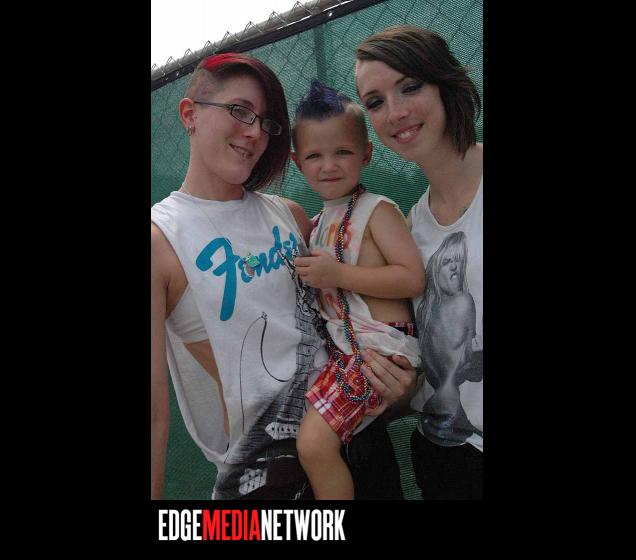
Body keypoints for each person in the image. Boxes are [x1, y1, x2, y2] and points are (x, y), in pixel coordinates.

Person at [150, 53, 417, 500]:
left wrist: (401, 388)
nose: (255, 132)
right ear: (189, 113)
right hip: (272, 473)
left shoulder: (291, 215)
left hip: (357, 436)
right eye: (239, 111)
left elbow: (347, 319)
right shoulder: (162, 239)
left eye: (266, 121)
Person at [355, 25, 484, 499]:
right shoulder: (410, 230)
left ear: (445, 84)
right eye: (375, 102)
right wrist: (399, 387)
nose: (395, 112)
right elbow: (426, 368)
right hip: (444, 456)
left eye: (410, 87)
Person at [290, 79, 425, 500]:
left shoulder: (377, 210)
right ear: (297, 162)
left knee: (314, 445)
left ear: (366, 154)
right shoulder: (319, 222)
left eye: (343, 152)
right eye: (314, 155)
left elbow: (412, 278)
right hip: (348, 355)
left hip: (382, 351)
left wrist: (339, 274)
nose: (329, 165)